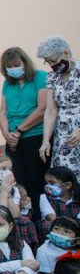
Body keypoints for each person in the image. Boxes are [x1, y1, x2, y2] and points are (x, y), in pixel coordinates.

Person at [0, 47, 51, 205]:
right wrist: (7, 135)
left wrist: (19, 130)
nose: (13, 69)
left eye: (16, 65)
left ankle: (38, 217)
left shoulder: (40, 77)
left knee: (35, 180)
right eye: (9, 66)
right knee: (17, 180)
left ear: (25, 63)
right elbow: (2, 112)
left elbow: (42, 109)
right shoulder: (8, 83)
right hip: (13, 140)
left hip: (34, 135)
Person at [38, 36, 80, 173]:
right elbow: (51, 110)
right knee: (65, 175)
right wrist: (46, 140)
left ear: (66, 53)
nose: (52, 65)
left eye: (53, 60)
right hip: (63, 133)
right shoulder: (52, 77)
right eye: (47, 62)